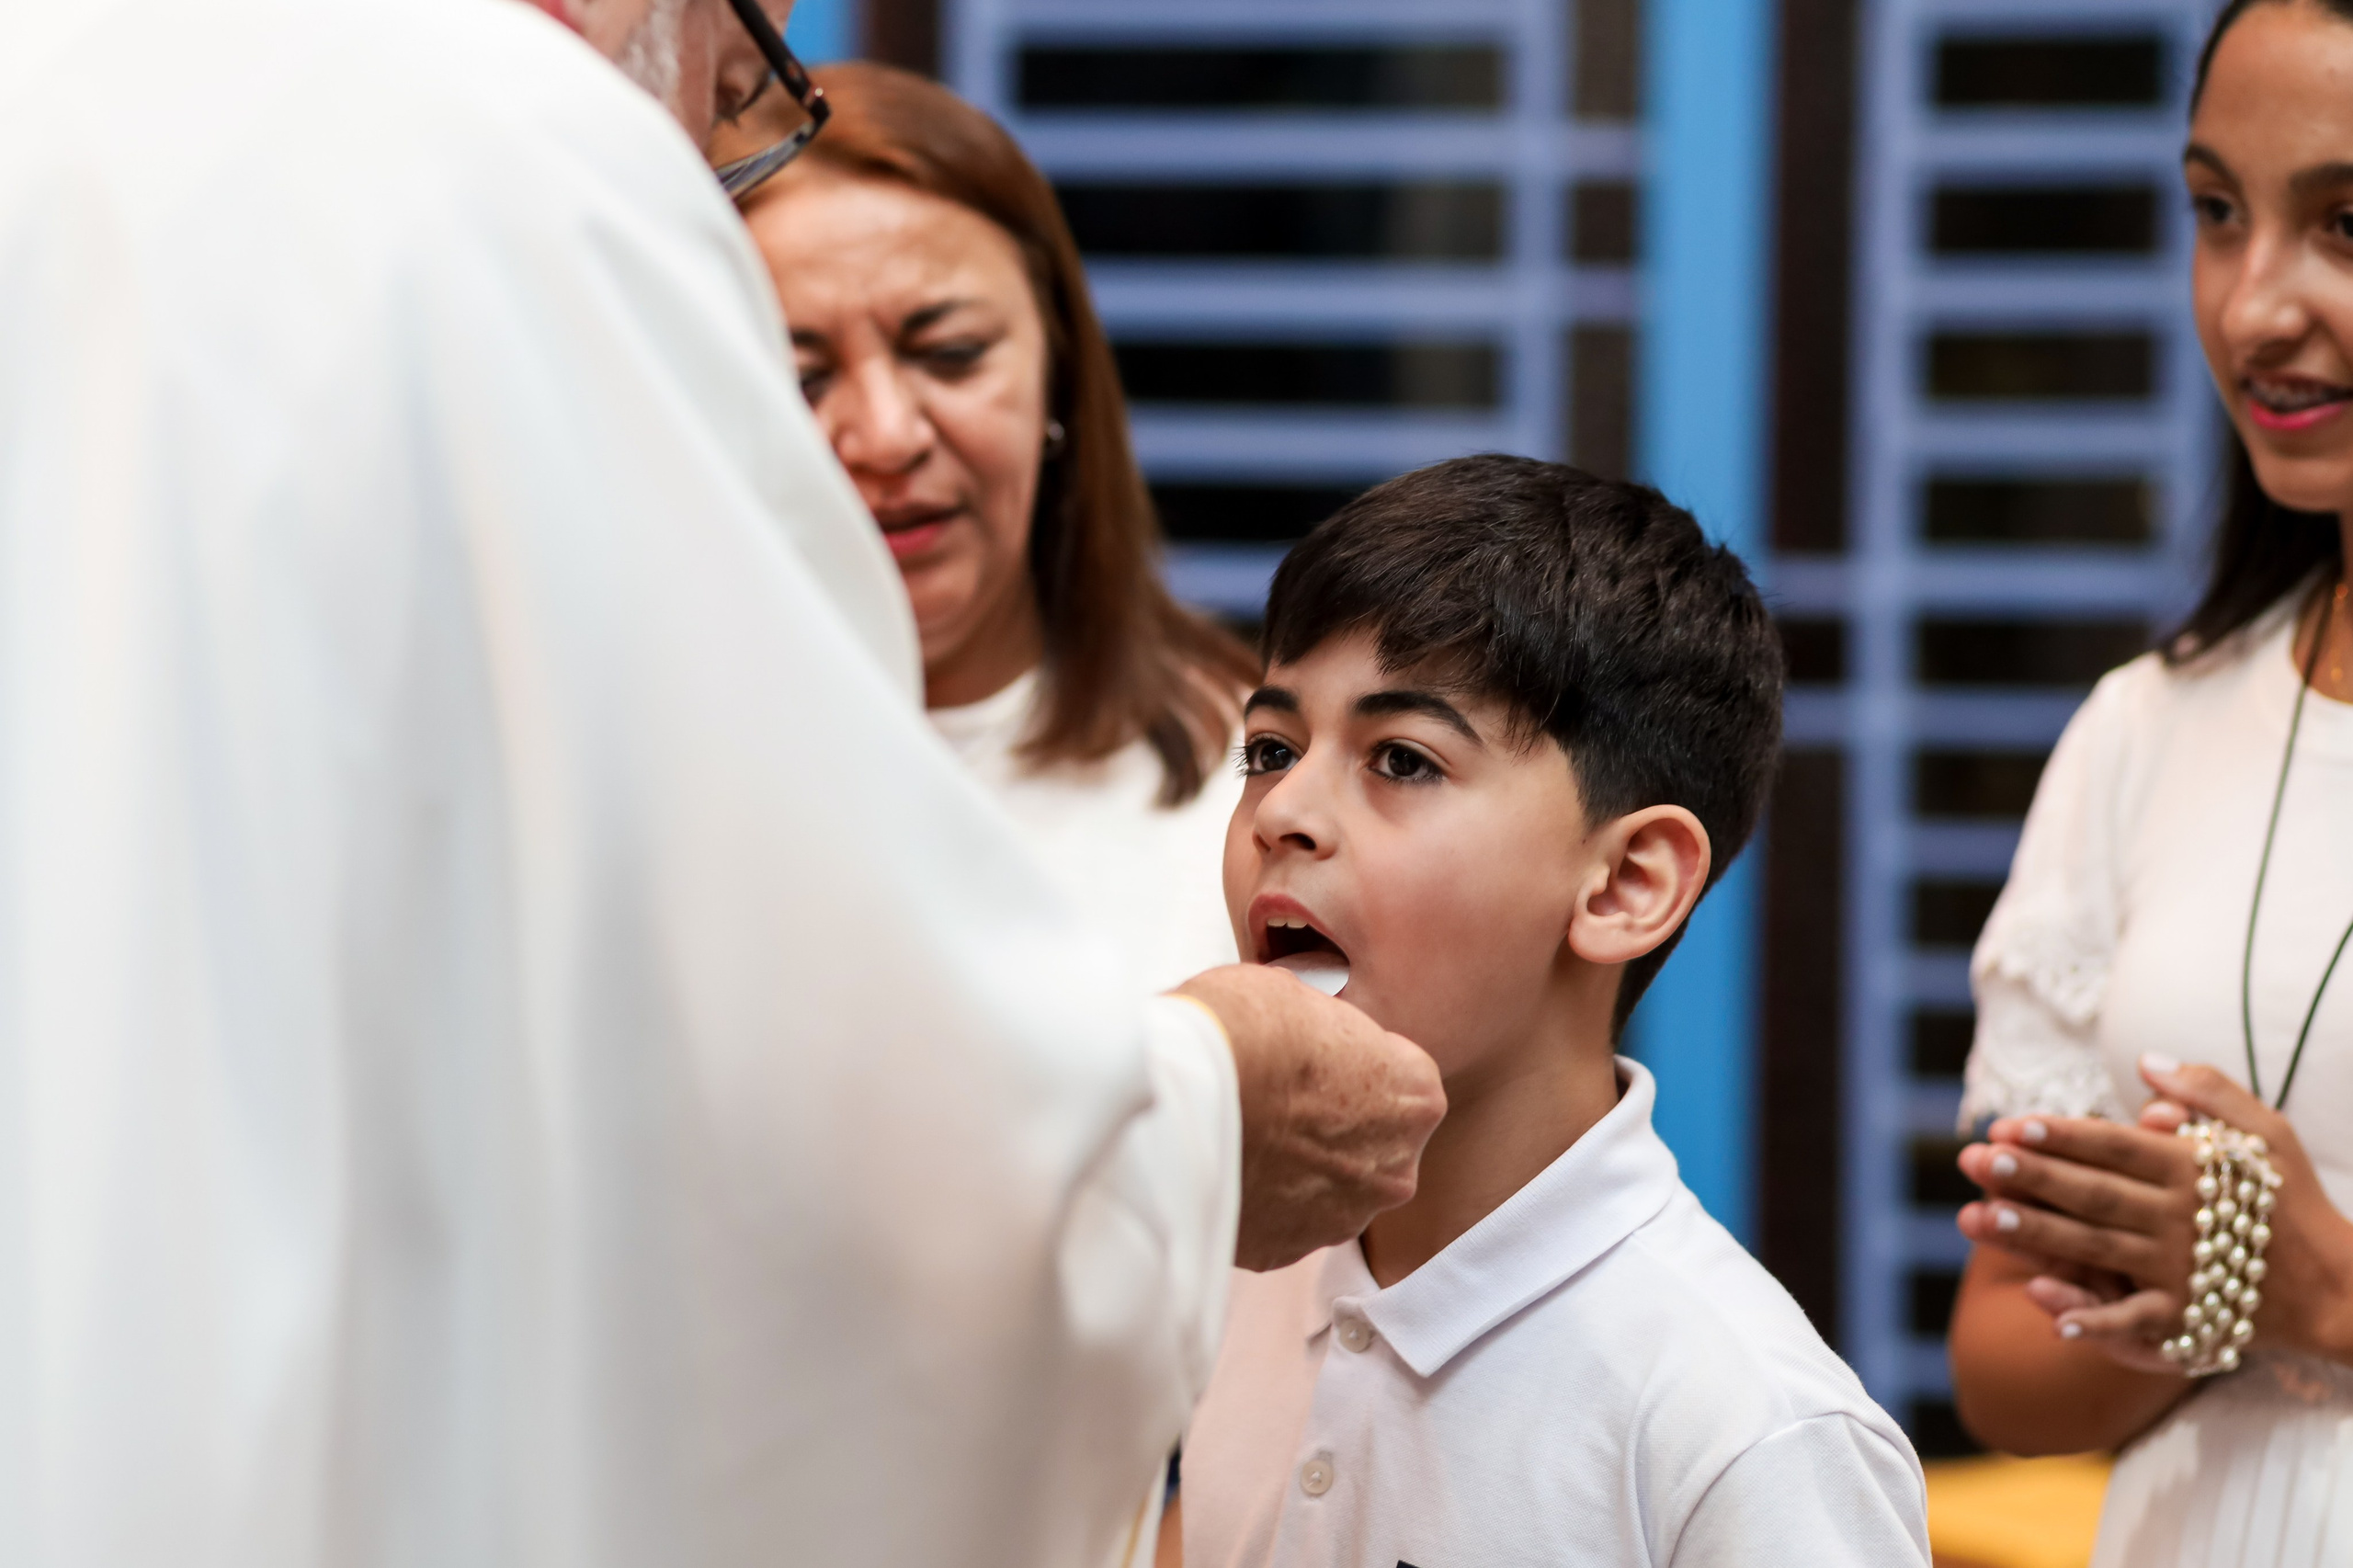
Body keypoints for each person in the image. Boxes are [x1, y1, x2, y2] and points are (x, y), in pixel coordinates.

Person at [0, 1, 1446, 1564]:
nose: (879, 436)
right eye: (738, 61)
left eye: (948, 349)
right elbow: (779, 1154)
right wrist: (1199, 1119)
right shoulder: (518, 159)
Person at [1171, 457, 1930, 1567]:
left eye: (1400, 758)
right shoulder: (1243, 1261)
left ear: (1626, 884)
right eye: (1271, 749)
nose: (1282, 809)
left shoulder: (1744, 1427)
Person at [1947, 3, 2353, 1562]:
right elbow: (1999, 1358)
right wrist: (2185, 1294)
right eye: (2216, 213)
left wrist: (2308, 1285)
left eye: (2345, 222)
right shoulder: (2145, 730)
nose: (2254, 309)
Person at [717, 63, 1253, 991]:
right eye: (800, 375)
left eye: (951, 354)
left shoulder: (1259, 793)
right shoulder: (625, 791)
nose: (885, 436)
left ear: (1056, 370)